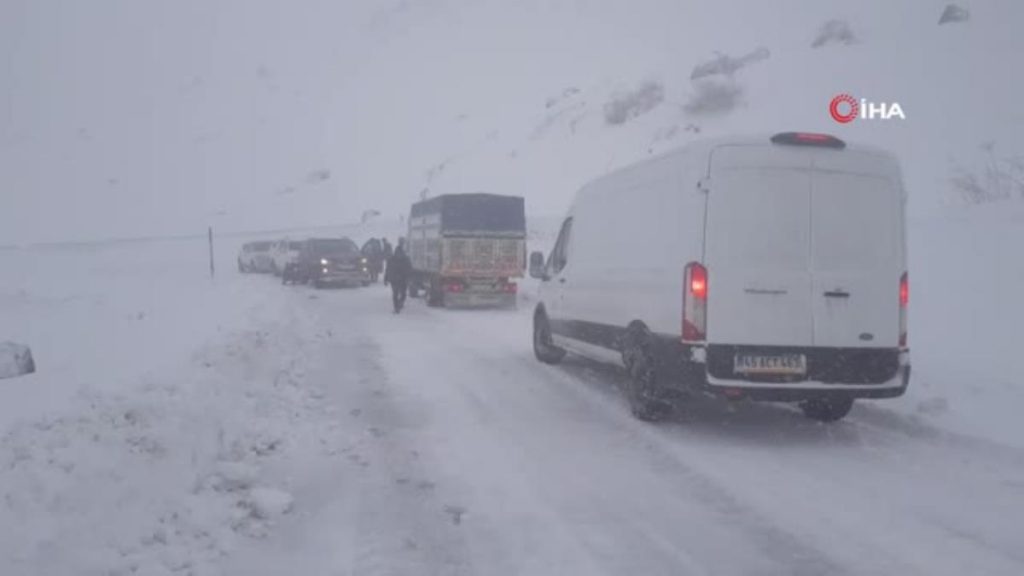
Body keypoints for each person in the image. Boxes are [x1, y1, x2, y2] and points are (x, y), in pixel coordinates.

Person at [384, 241, 412, 313]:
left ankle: (398, 305)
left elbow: (387, 270)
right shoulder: (404, 259)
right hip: (398, 280)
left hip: (398, 280)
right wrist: (386, 279)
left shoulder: (394, 259)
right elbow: (388, 269)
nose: (399, 255)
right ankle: (398, 306)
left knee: (398, 294)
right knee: (399, 293)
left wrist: (386, 279)